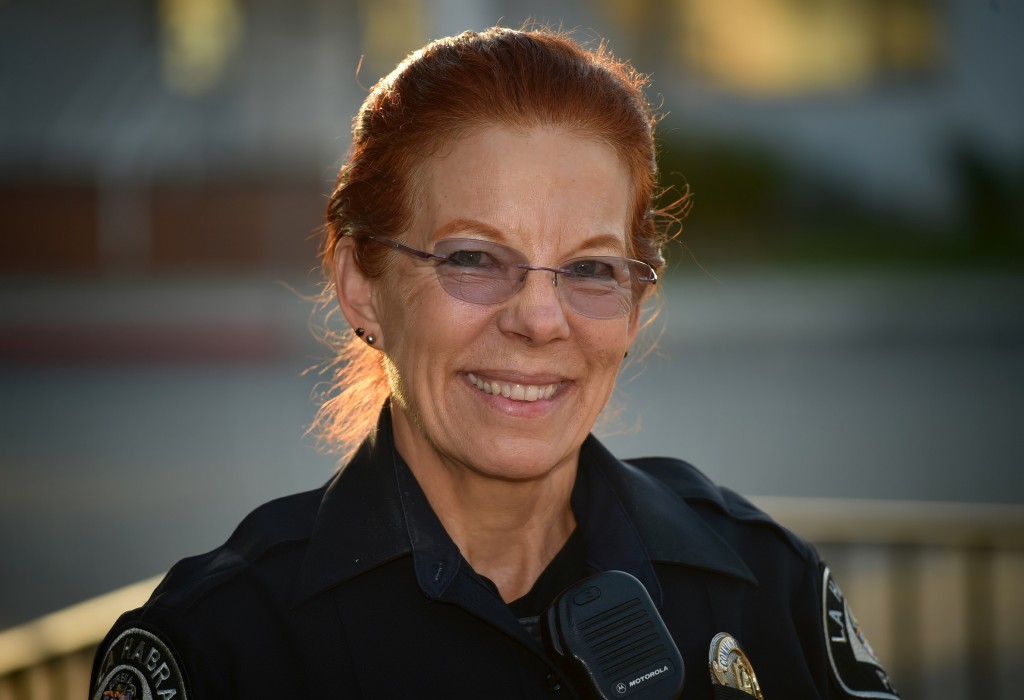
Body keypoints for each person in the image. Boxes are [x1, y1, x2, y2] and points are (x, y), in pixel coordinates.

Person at [90, 27, 899, 699]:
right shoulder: (223, 648)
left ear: (635, 306)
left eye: (591, 268)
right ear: (361, 286)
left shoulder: (762, 587)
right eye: (475, 258)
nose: (541, 320)